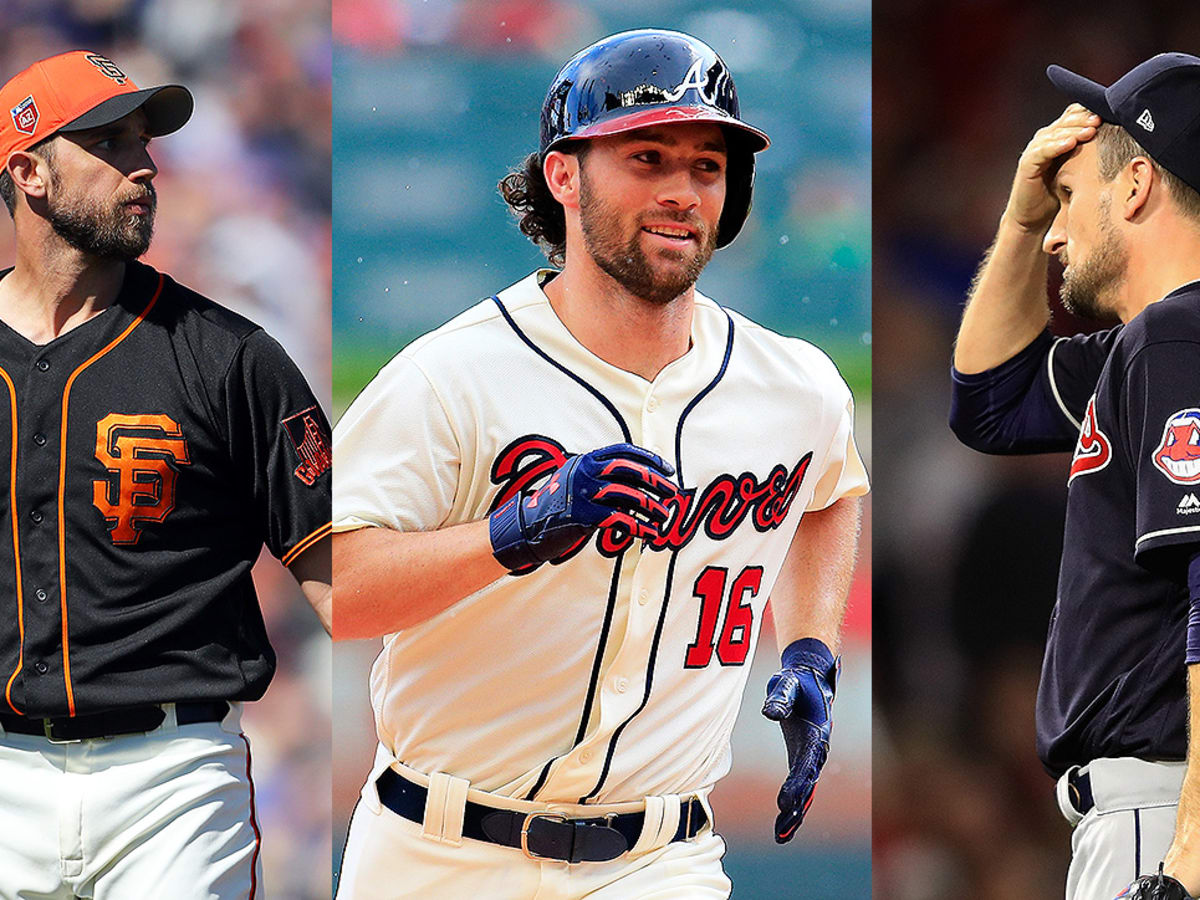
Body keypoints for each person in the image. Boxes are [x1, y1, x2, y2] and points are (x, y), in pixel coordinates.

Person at [333, 28, 868, 899]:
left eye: (706, 165)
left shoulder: (793, 385)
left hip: (662, 857)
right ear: (564, 175)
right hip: (441, 852)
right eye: (647, 157)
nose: (682, 191)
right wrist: (511, 534)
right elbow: (332, 587)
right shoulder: (452, 375)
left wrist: (809, 651)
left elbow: (830, 492)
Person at [0, 50, 331, 896]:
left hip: (173, 780)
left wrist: (498, 544)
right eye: (109, 142)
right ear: (29, 172)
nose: (143, 164)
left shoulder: (230, 358)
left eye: (144, 141)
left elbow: (345, 583)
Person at [949, 53, 1200, 900]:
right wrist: (1018, 223)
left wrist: (1189, 855)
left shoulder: (1178, 341)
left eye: (1066, 198)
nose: (1056, 232)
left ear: (1134, 187)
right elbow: (990, 402)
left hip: (1164, 813)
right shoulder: (1150, 347)